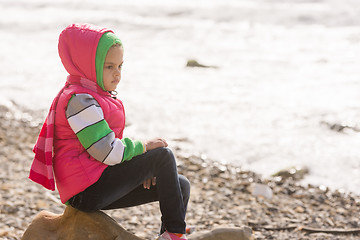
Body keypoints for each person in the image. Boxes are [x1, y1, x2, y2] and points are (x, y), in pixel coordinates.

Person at [29, 23, 190, 240]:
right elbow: (107, 151)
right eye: (109, 67)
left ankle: (167, 235)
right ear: (88, 65)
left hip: (98, 181)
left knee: (180, 185)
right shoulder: (80, 101)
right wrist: (144, 150)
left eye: (120, 66)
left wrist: (140, 170)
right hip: (85, 191)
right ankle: (176, 235)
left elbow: (108, 152)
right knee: (162, 156)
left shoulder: (95, 94)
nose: (117, 74)